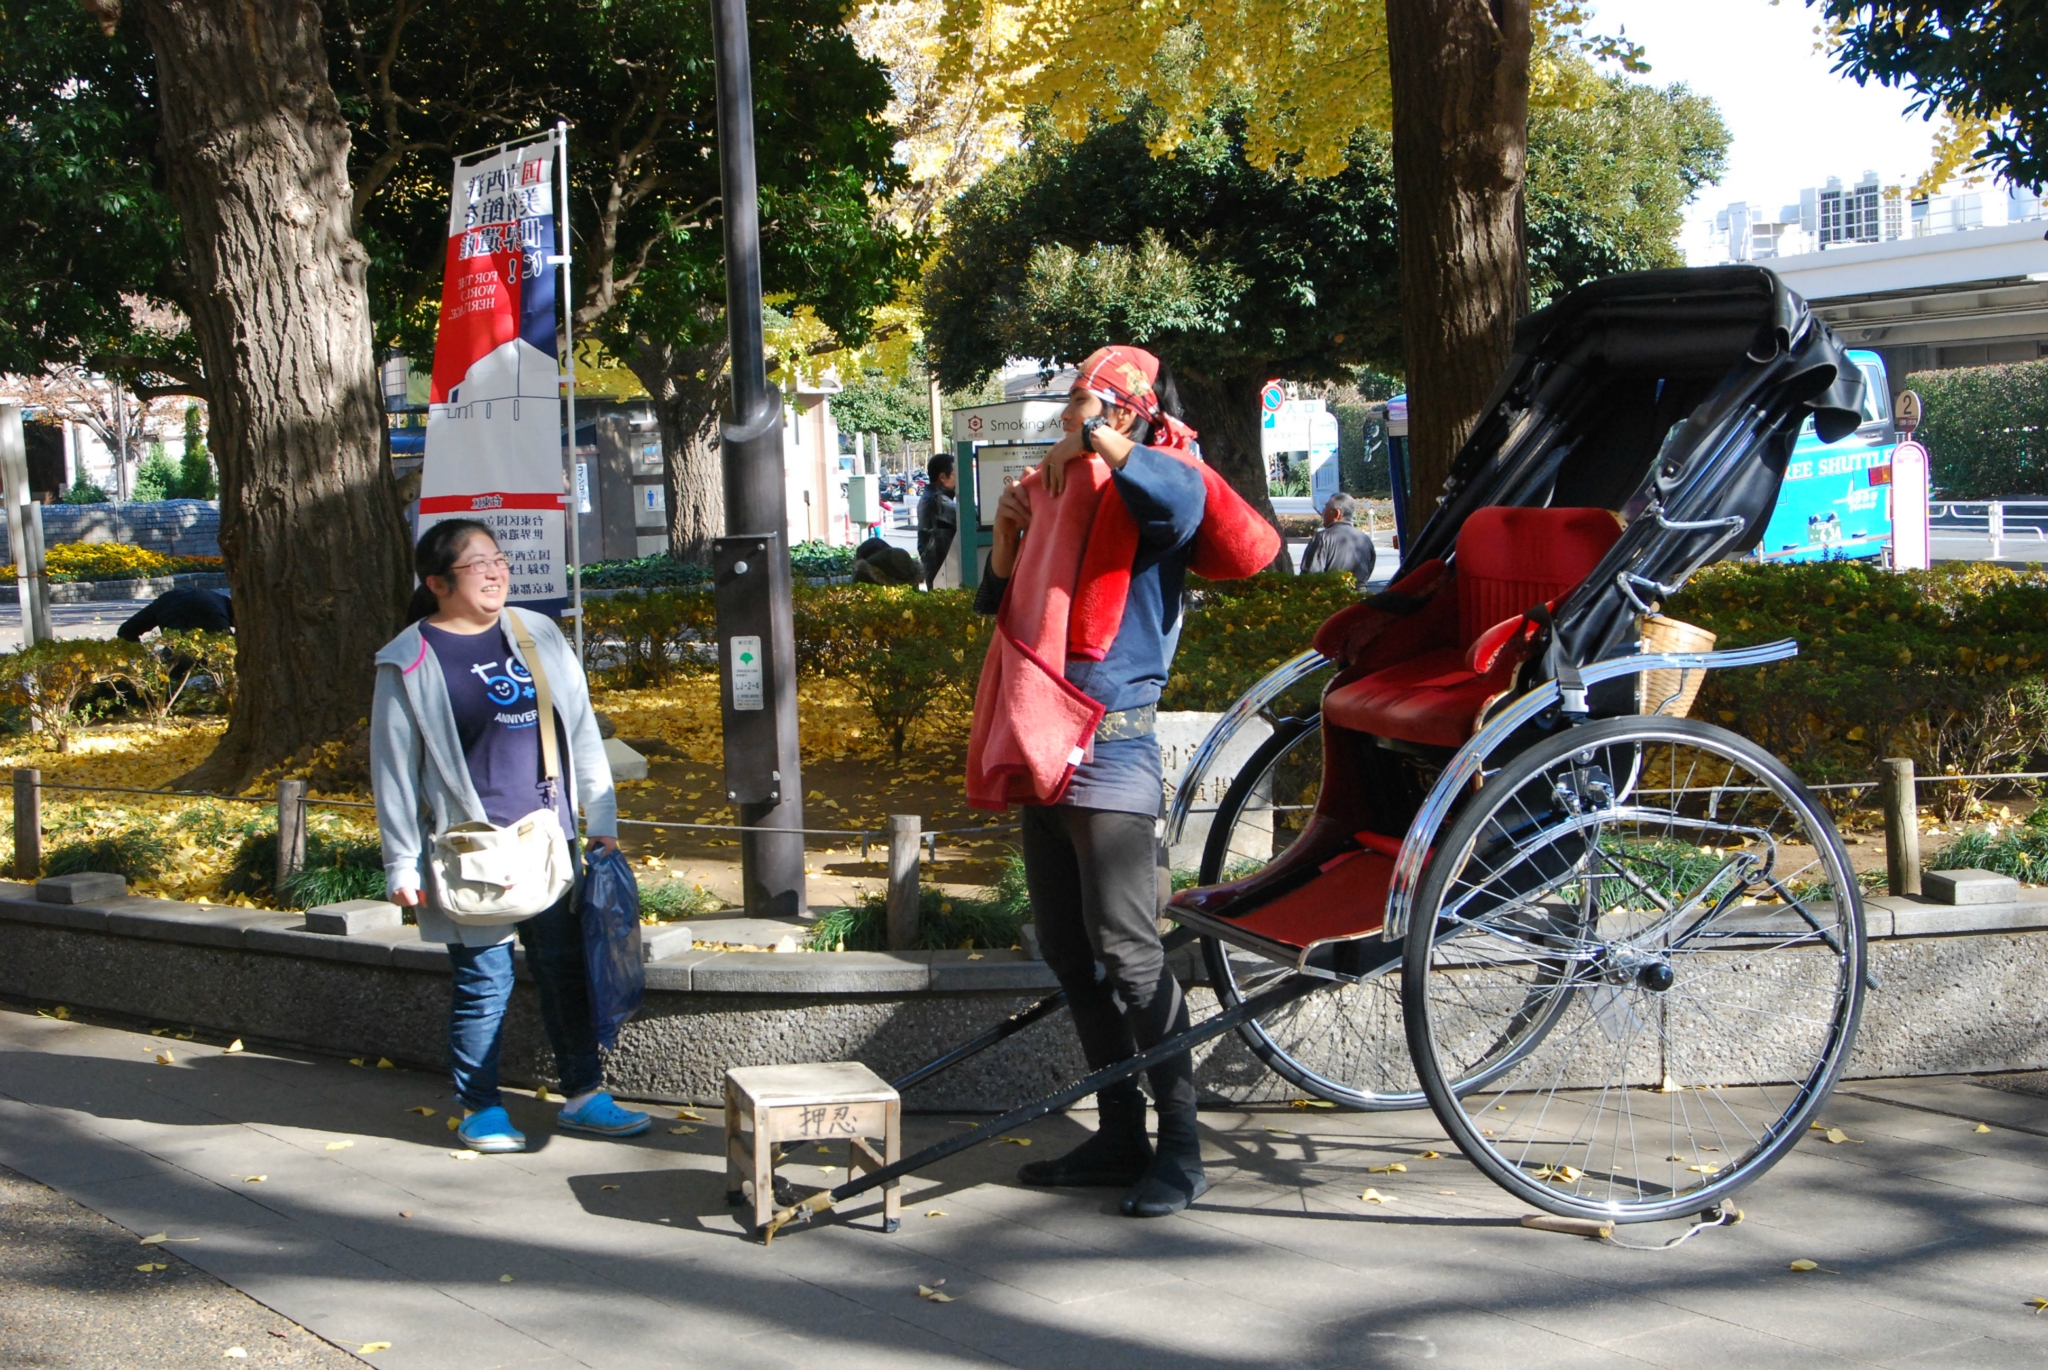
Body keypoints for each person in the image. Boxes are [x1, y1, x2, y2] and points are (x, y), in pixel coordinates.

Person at [966, 345, 1275, 1218]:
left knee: (1132, 956)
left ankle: (1181, 1146)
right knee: (1069, 951)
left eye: (1082, 400)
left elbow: (1178, 499)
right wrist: (1009, 537)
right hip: (1042, 736)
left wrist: (1100, 437)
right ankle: (1119, 1136)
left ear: (1124, 411)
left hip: (1112, 747)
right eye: (1071, 401)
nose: (1066, 414)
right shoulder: (1059, 493)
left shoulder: (1158, 480)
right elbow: (996, 610)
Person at [370, 519, 650, 1153]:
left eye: (498, 559)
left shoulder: (536, 631)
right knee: (483, 982)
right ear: (437, 582)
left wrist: (600, 821)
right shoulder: (408, 659)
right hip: (472, 851)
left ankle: (585, 1094)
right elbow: (391, 769)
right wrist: (401, 865)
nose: (496, 572)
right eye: (477, 565)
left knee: (565, 970)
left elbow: (581, 729)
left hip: (551, 843)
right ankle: (481, 1108)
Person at [1297, 492, 1376, 587]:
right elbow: (1369, 570)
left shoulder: (1323, 537)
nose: (1323, 512)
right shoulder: (1365, 539)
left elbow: (1310, 575)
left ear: (1337, 514)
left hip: (1333, 596)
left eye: (1326, 508)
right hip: (1360, 597)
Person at [117, 587, 233, 642]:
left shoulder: (163, 601)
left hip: (177, 626)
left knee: (177, 664)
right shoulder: (221, 600)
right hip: (213, 616)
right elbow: (249, 625)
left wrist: (144, 661)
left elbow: (127, 630)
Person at [917, 452, 959, 588]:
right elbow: (970, 522)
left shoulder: (929, 497)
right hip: (946, 574)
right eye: (955, 474)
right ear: (942, 477)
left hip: (936, 573)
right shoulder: (939, 501)